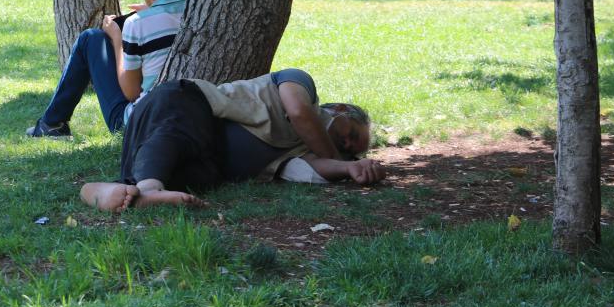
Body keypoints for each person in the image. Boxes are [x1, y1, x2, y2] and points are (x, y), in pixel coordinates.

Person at [79, 69, 387, 211]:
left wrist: (348, 170)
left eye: (351, 152)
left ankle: (100, 191)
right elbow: (297, 111)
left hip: (208, 160)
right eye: (352, 136)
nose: (346, 147)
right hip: (187, 101)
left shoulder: (306, 150)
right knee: (179, 132)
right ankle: (148, 187)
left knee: (192, 176)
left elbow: (312, 170)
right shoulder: (303, 86)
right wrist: (336, 155)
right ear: (343, 110)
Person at [27, 0, 186, 137]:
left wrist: (117, 39)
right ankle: (51, 123)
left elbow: (131, 92)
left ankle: (51, 124)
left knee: (90, 38)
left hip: (140, 125)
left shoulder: (136, 24)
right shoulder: (196, 13)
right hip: (184, 116)